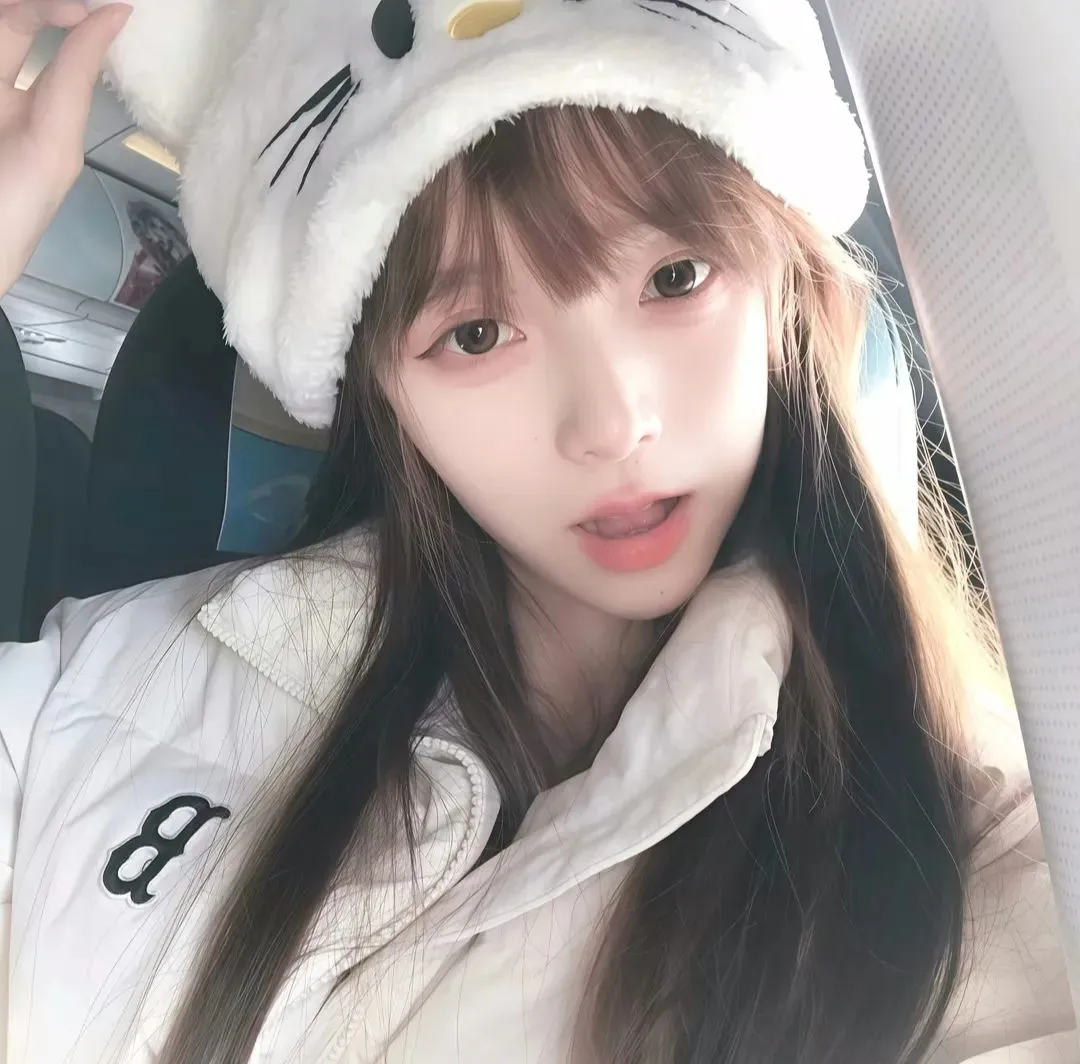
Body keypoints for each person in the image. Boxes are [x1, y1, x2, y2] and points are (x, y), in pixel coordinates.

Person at [0, 1, 1073, 1063]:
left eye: (676, 278)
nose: (609, 424)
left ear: (785, 294)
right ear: (384, 395)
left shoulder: (992, 859)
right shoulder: (106, 684)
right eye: (476, 333)